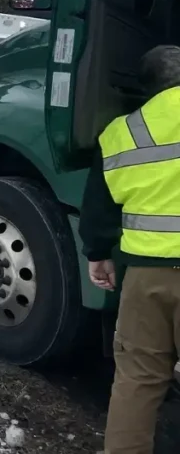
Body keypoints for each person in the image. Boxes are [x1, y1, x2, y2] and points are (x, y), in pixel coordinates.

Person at [78, 44, 180, 454]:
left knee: (138, 380)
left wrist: (99, 254)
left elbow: (99, 208)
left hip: (145, 279)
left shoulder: (121, 133)